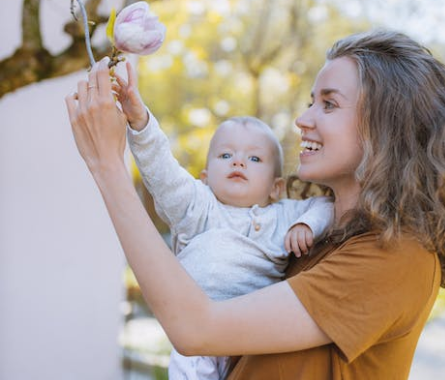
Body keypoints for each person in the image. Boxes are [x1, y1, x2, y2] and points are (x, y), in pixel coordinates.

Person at [66, 29, 445, 379]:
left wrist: (107, 164)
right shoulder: (312, 235)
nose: (303, 120)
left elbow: (195, 327)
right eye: (310, 101)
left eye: (329, 104)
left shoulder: (399, 257)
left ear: (389, 130)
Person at [113, 66, 333, 380]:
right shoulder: (197, 206)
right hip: (195, 334)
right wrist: (140, 122)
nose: (239, 162)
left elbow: (326, 205)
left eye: (254, 159)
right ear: (205, 177)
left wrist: (308, 225)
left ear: (275, 187)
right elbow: (162, 171)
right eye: (226, 155)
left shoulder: (283, 215)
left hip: (250, 338)